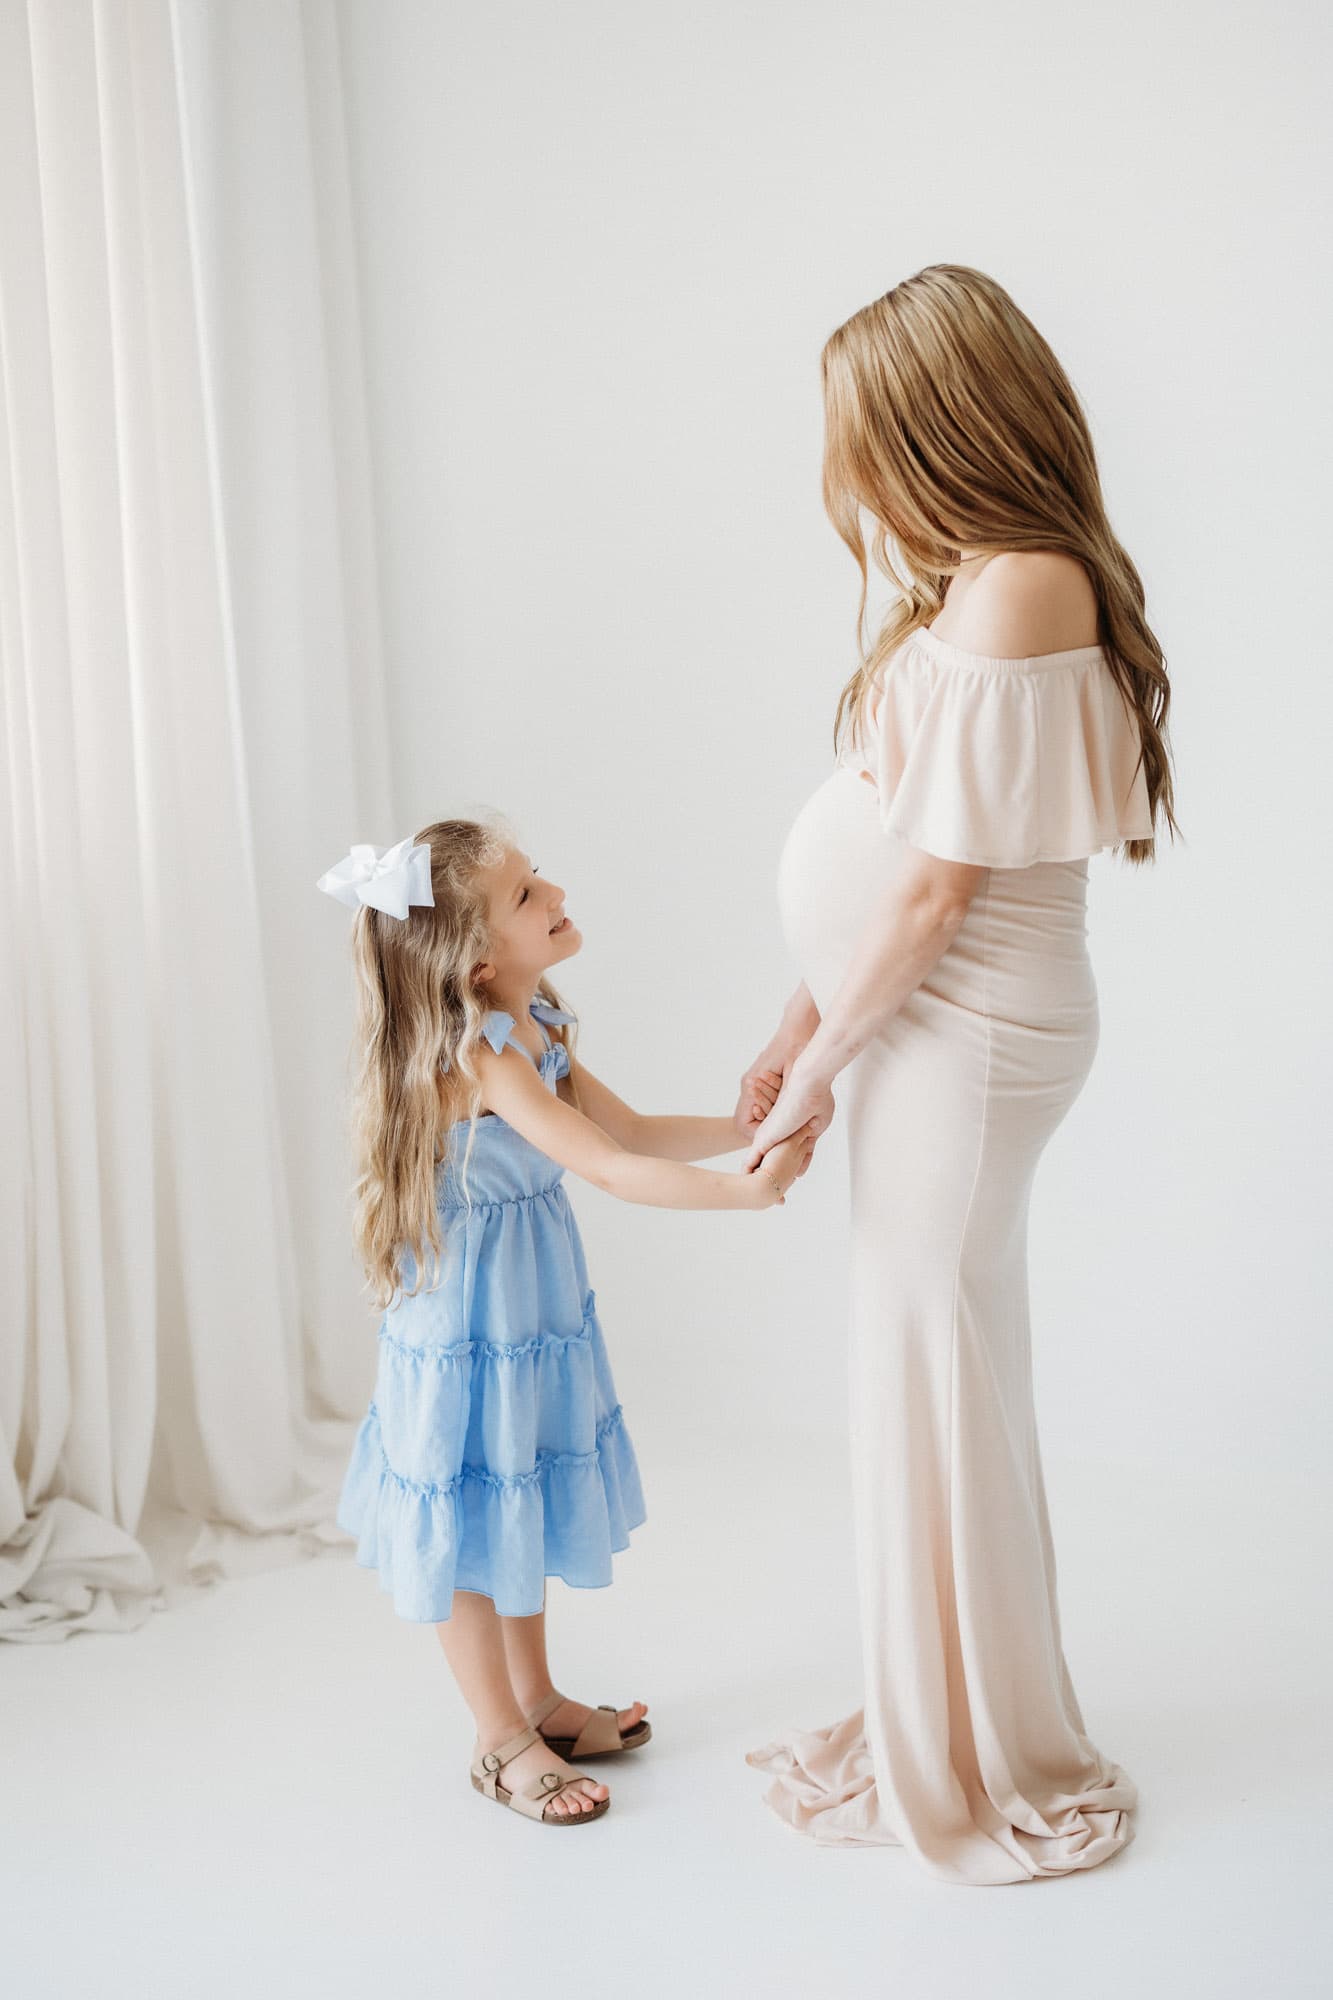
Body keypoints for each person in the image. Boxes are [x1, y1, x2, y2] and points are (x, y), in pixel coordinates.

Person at [739, 264, 1177, 1885]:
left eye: (863, 433)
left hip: (969, 1033)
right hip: (915, 1023)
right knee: (929, 1367)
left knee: (929, 1368)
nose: (845, 470)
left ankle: (985, 1749)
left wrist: (823, 1063)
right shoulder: (973, 582)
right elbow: (893, 851)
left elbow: (934, 889)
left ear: (939, 420)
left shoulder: (1022, 583)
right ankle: (946, 1709)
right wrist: (801, 1025)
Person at [317, 817, 815, 1828]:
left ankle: (538, 1698)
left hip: (527, 1304)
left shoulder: (531, 1022)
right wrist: (746, 1194)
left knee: (521, 1489)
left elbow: (625, 1129)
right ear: (479, 955)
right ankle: (500, 1736)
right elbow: (610, 1168)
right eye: (526, 892)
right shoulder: (479, 1056)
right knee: (470, 1505)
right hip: (468, 1318)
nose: (554, 893)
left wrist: (751, 1123)